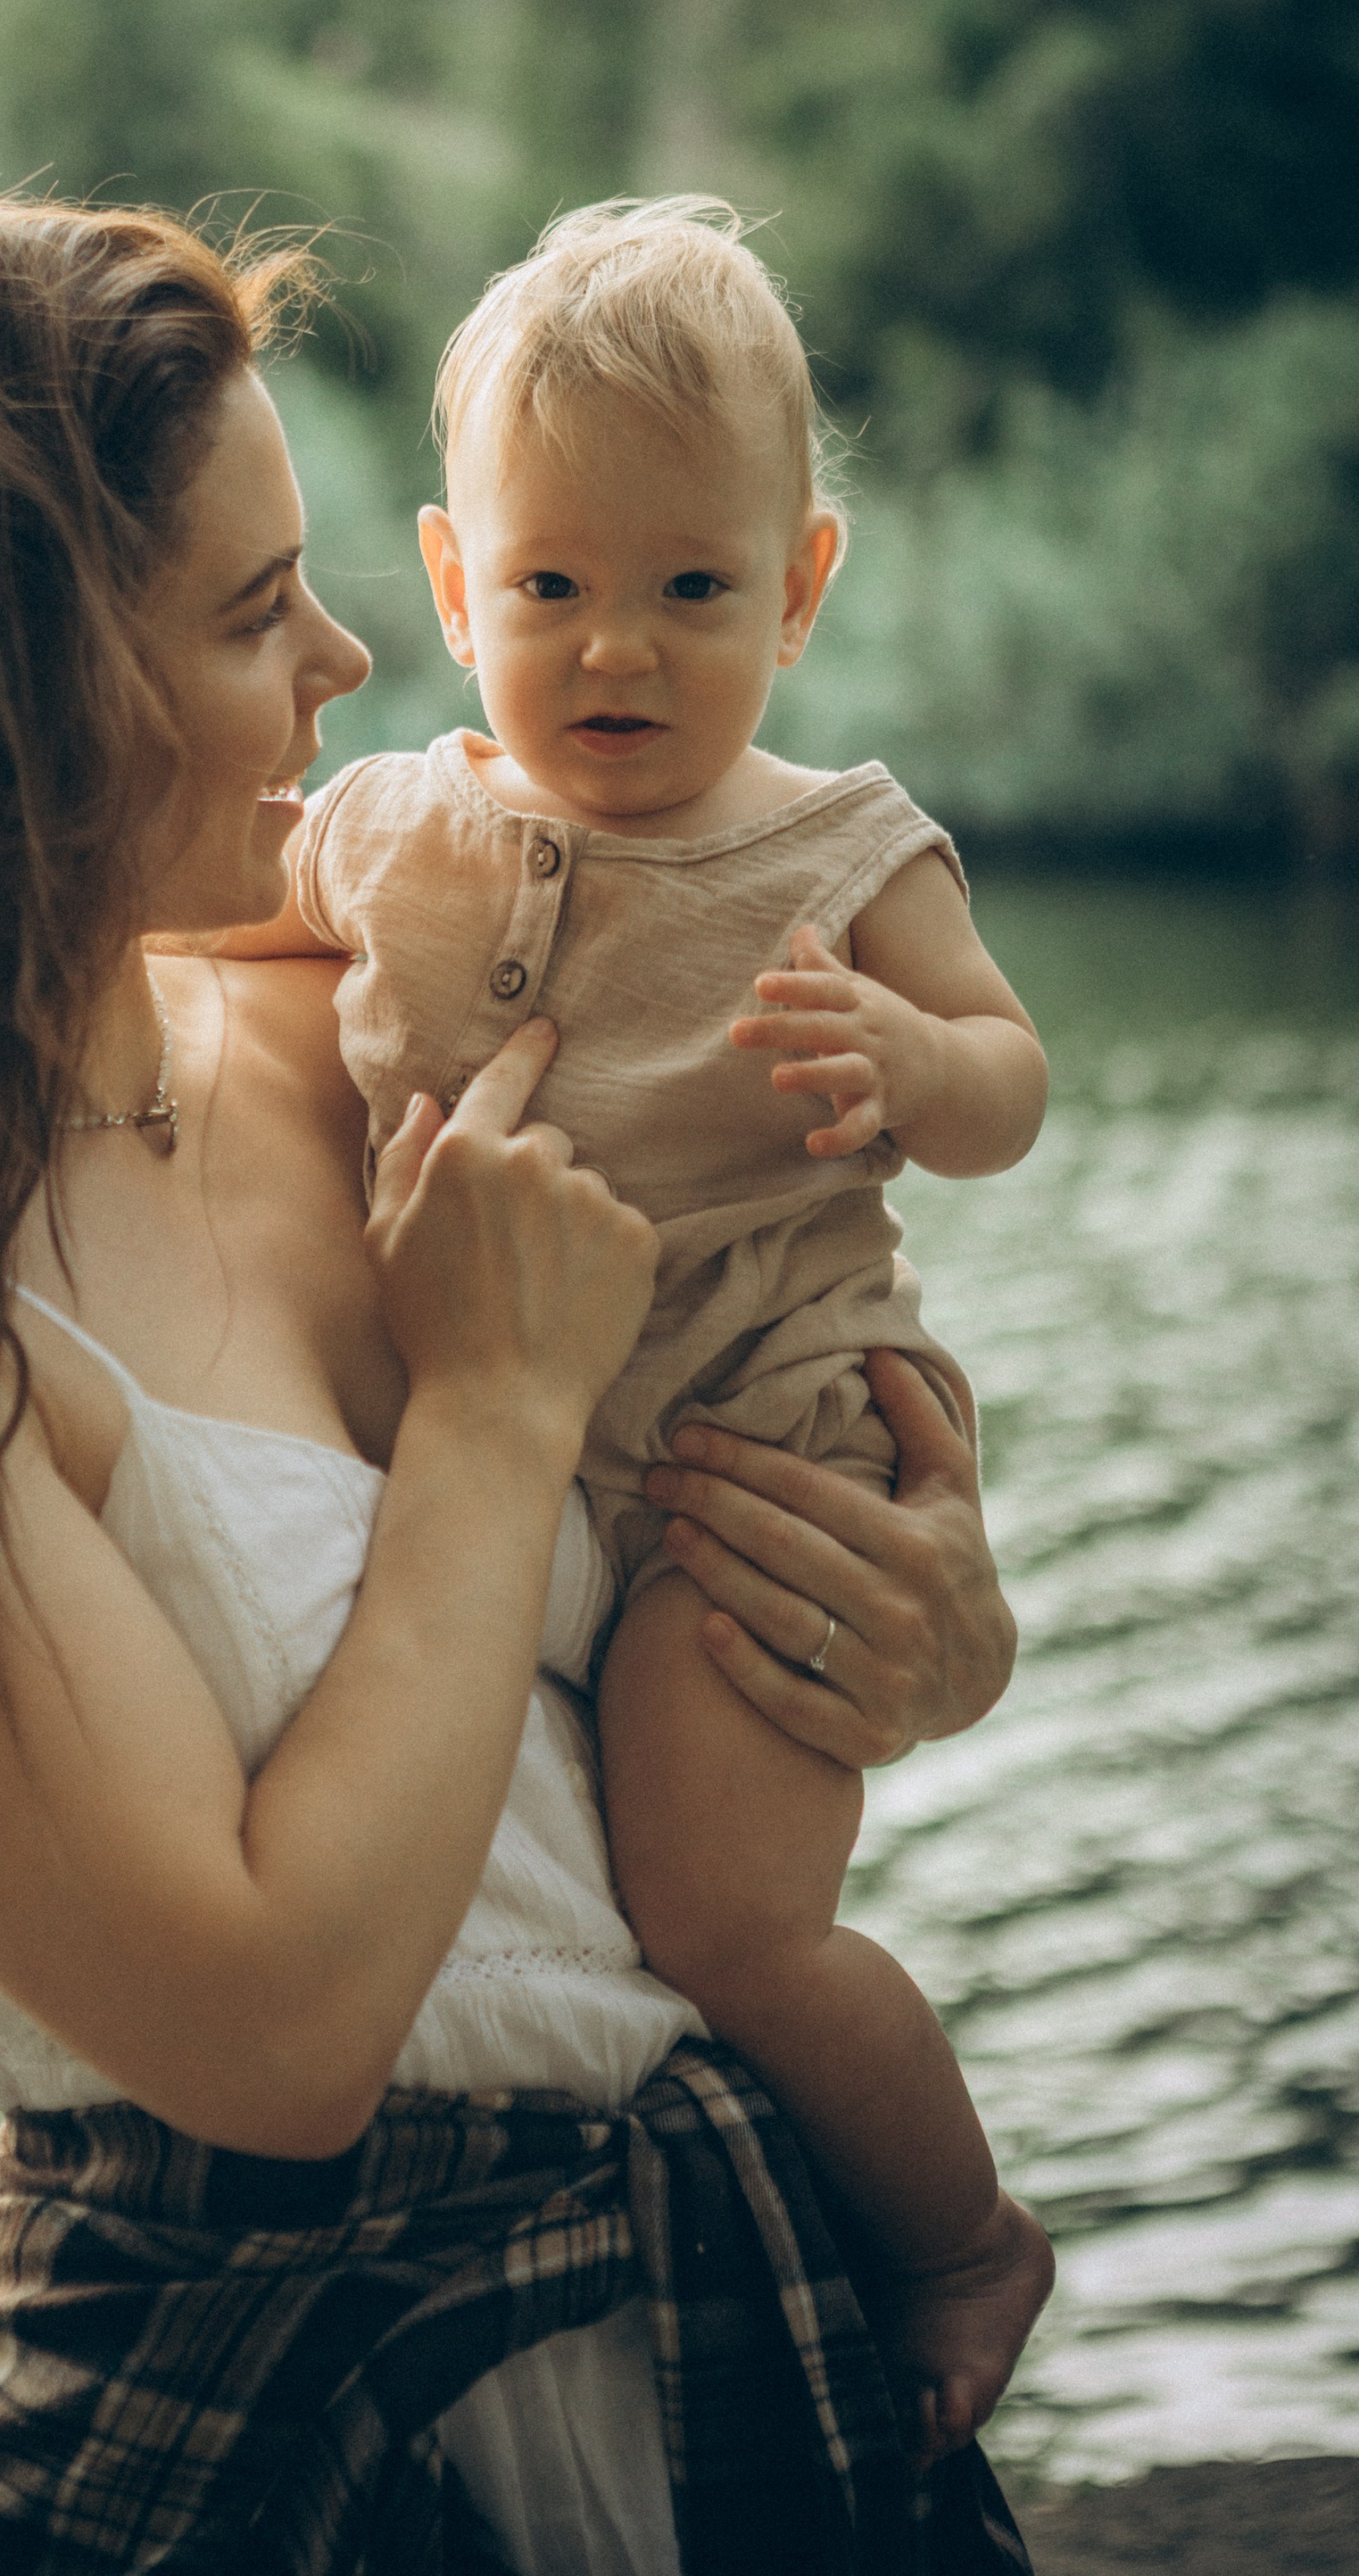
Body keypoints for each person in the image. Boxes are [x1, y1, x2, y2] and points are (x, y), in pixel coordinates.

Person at [0, 200, 1034, 2574]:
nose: (343, 662)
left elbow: (707, 1502)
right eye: (243, 611)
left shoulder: (367, 1040)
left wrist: (912, 1622)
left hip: (737, 2309)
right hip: (253, 2435)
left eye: (315, 577)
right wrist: (502, 1415)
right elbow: (280, 2038)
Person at [243, 196, 1055, 2459]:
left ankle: (960, 2236)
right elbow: (205, 916)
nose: (614, 651)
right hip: (511, 1445)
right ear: (447, 584)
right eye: (549, 589)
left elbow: (1010, 1078)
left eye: (691, 590)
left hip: (755, 1456)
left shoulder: (838, 857)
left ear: (797, 587)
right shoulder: (390, 828)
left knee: (721, 1921)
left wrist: (913, 1072)